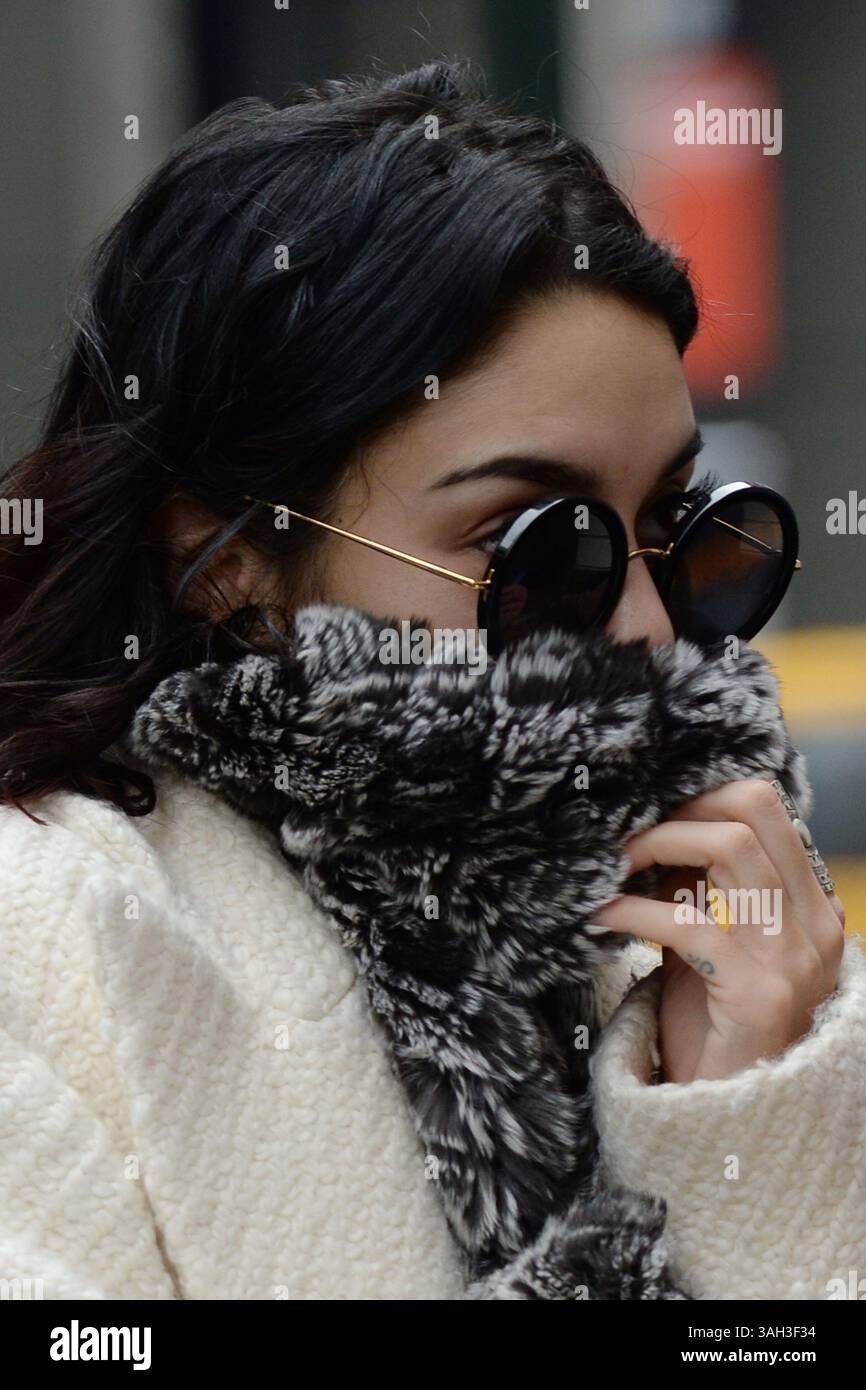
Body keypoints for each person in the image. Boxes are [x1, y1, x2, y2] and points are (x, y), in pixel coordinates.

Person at [0, 61, 862, 1301]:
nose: (642, 625)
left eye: (684, 532)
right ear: (226, 565)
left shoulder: (745, 940)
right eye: (537, 548)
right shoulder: (61, 952)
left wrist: (757, 1123)